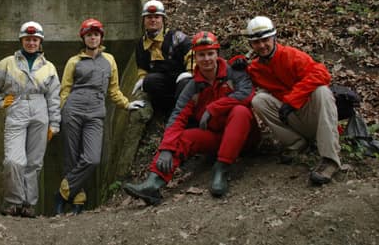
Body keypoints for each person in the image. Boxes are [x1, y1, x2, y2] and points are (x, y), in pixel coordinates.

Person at [123, 32, 258, 204]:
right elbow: (177, 118)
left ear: (217, 54)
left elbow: (246, 94)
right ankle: (154, 182)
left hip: (244, 138)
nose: (207, 59)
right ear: (195, 56)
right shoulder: (193, 87)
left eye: (210, 53)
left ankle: (222, 169)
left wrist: (213, 108)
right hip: (216, 139)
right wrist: (166, 149)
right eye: (201, 54)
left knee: (240, 111)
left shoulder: (234, 72)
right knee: (184, 136)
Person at [54, 19, 145, 215]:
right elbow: (65, 90)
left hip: (95, 114)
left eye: (96, 34)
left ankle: (62, 193)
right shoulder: (74, 62)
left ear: (101, 37)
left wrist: (127, 104)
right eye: (89, 34)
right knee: (72, 157)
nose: (93, 37)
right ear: (83, 38)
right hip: (72, 110)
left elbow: (113, 90)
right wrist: (59, 115)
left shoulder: (109, 60)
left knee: (91, 158)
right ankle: (77, 200)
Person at [242, 16, 341, 185]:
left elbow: (322, 74)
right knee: (259, 100)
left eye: (265, 40)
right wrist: (236, 65)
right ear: (251, 45)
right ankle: (296, 143)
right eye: (257, 42)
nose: (262, 45)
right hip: (292, 118)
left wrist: (292, 100)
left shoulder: (291, 55)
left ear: (274, 38)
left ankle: (330, 159)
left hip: (312, 116)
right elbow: (233, 84)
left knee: (322, 91)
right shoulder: (255, 68)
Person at [0, 21, 61, 218]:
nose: (31, 43)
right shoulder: (8, 62)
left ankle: (28, 204)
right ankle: (13, 201)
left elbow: (54, 97)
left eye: (35, 39)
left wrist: (54, 124)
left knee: (34, 163)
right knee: (13, 161)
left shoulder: (49, 67)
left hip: (40, 109)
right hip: (16, 108)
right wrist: (0, 102)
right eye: (28, 39)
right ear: (21, 40)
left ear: (40, 41)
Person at [132, 0, 193, 119]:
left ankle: (184, 115)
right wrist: (142, 79)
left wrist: (190, 72)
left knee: (185, 83)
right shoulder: (141, 44)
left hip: (182, 81)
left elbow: (192, 55)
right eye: (149, 17)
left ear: (163, 20)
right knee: (150, 82)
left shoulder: (177, 38)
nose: (153, 20)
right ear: (144, 20)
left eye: (157, 17)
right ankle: (167, 112)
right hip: (162, 84)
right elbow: (142, 67)